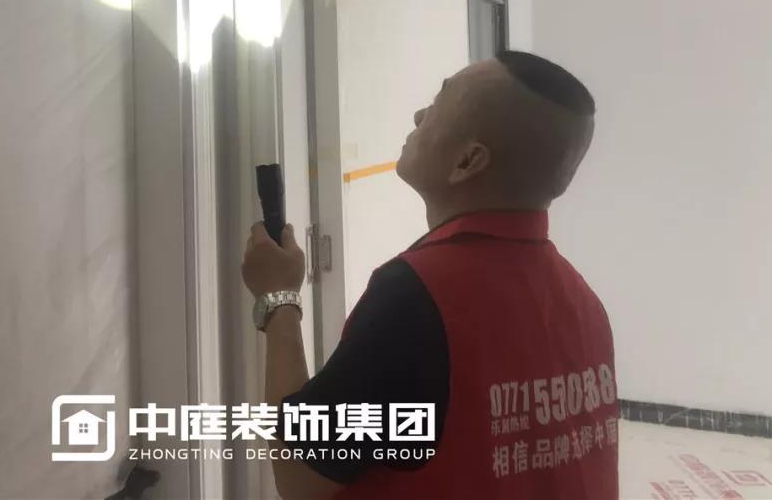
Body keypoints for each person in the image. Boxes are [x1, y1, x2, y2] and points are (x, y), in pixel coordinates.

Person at [241, 50, 619, 500]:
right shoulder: (583, 302)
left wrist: (279, 298)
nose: (419, 116)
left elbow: (301, 478)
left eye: (437, 106)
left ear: (467, 162)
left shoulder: (418, 298)